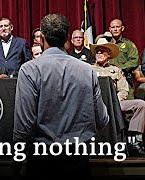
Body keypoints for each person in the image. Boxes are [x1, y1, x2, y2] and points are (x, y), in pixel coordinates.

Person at [13, 14, 109, 177]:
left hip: (42, 159)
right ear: (67, 37)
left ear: (41, 37)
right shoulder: (87, 70)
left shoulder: (30, 69)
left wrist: (16, 160)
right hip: (78, 158)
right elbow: (102, 119)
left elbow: (23, 124)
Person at [91, 37, 145, 156]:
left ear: (109, 54)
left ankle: (135, 139)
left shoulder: (116, 70)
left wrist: (116, 101)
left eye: (102, 50)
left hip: (115, 103)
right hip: (95, 105)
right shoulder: (89, 70)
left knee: (141, 104)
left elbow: (124, 89)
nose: (99, 53)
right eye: (97, 51)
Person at [108, 19, 139, 98]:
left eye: (117, 27)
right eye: (113, 27)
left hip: (124, 78)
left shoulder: (128, 44)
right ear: (110, 29)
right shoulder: (106, 45)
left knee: (128, 105)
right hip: (109, 80)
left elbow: (134, 61)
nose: (115, 29)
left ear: (122, 28)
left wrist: (121, 68)